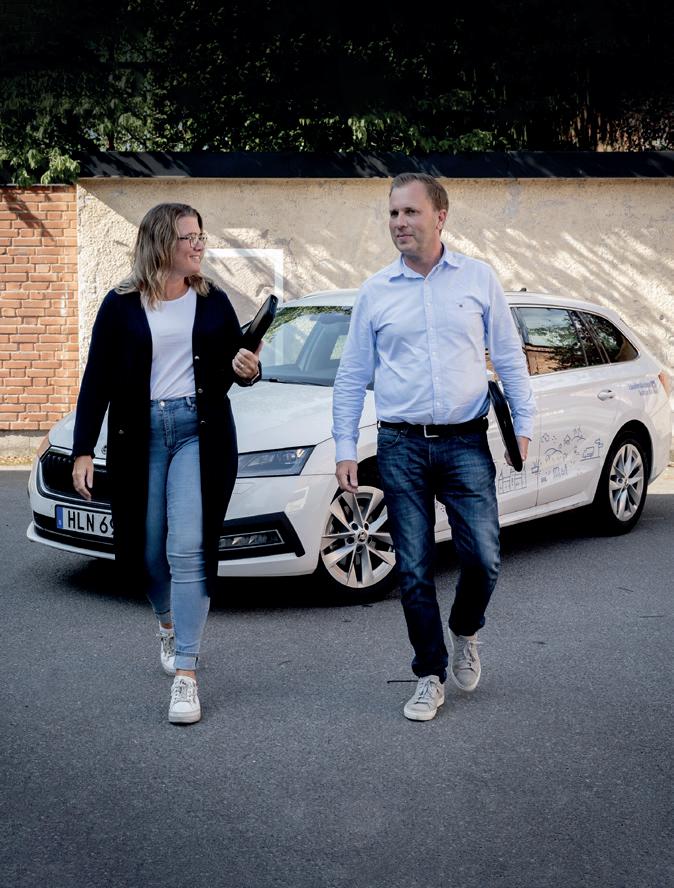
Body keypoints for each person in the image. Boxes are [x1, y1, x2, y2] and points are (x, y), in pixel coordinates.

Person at [332, 173, 535, 722]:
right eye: (393, 213)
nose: (399, 223)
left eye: (410, 212)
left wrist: (523, 425)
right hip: (400, 445)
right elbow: (351, 376)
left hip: (466, 441)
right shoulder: (376, 291)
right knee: (414, 570)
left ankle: (465, 628)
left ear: (440, 216)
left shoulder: (478, 278)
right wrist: (346, 447)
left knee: (484, 559)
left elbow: (509, 356)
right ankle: (429, 674)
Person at [71, 203, 262, 725]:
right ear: (161, 244)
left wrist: (248, 368)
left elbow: (233, 370)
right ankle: (167, 623)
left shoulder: (213, 300)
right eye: (188, 237)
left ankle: (187, 673)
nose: (199, 245)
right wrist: (84, 448)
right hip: (141, 437)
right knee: (147, 552)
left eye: (201, 236)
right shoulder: (120, 305)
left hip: (199, 433)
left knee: (189, 547)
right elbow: (97, 379)